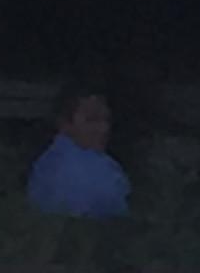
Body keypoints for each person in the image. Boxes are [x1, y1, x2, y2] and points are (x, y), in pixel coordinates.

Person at [28, 84, 133, 220]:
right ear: (65, 124)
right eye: (92, 120)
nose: (103, 129)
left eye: (106, 120)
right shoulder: (63, 169)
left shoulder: (101, 162)